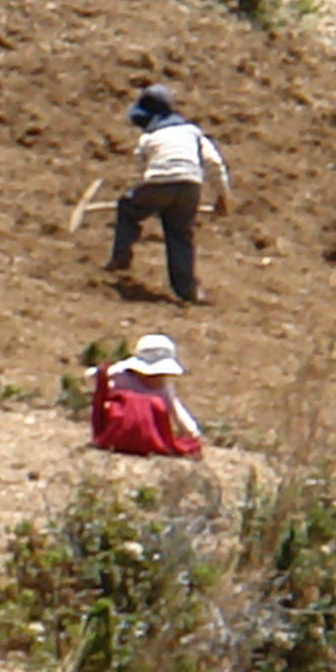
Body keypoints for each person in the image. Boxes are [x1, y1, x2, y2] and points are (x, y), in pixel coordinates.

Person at [108, 84, 228, 306]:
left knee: (127, 208)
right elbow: (214, 162)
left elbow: (143, 172)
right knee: (179, 234)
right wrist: (221, 196)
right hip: (191, 185)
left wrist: (148, 197)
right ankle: (187, 291)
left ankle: (121, 256)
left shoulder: (149, 138)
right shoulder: (193, 132)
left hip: (159, 183)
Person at [88, 332, 203, 457]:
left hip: (150, 437)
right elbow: (96, 380)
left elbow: (176, 409)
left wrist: (191, 432)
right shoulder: (120, 378)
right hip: (118, 432)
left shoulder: (163, 388)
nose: (158, 378)